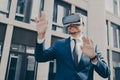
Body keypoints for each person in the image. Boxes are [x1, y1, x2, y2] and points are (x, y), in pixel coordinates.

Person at [34, 12, 110, 80]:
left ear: (83, 25)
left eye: (76, 22)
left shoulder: (92, 47)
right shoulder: (59, 44)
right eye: (69, 22)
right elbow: (40, 57)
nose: (72, 25)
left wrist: (94, 57)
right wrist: (41, 36)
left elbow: (106, 73)